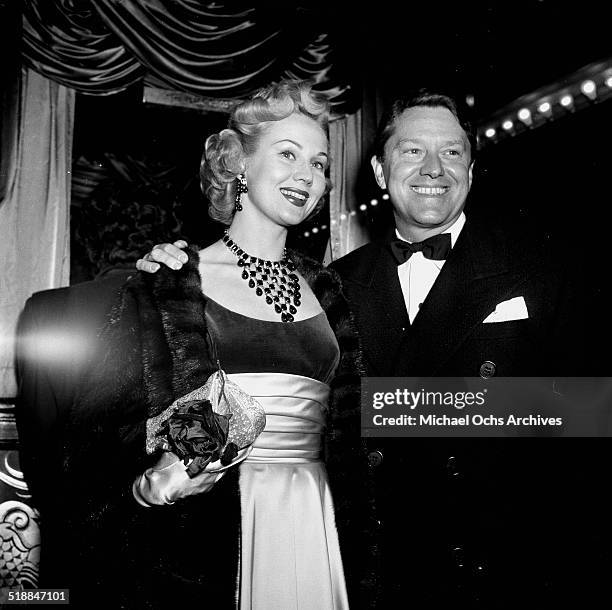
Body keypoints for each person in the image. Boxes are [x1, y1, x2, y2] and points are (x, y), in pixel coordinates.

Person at [148, 89, 610, 608]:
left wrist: (401, 406)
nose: (434, 168)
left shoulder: (541, 268)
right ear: (379, 170)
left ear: (473, 169)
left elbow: (588, 411)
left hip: (501, 564)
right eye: (412, 151)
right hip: (370, 563)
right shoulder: (331, 284)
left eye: (452, 152)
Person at [16, 80, 377, 609]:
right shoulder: (174, 279)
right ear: (239, 169)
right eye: (287, 154)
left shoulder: (331, 289)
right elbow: (97, 435)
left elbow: (354, 429)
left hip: (317, 514)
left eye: (321, 164)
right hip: (212, 536)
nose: (307, 174)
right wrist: (153, 482)